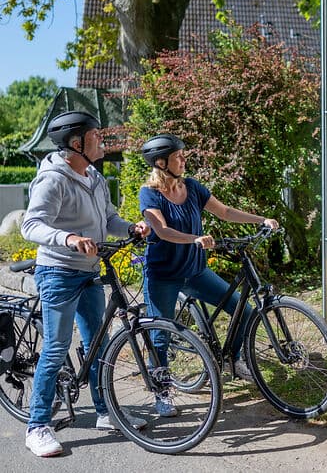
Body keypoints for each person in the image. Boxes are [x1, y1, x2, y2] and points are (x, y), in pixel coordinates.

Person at [20, 111, 150, 457]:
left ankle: (106, 413)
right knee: (57, 346)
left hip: (90, 270)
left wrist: (131, 228)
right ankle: (38, 426)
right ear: (77, 143)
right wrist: (69, 238)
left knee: (98, 343)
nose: (102, 142)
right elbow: (31, 225)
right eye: (96, 136)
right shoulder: (53, 179)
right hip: (59, 272)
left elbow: (108, 219)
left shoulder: (94, 177)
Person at [137, 134, 278, 416]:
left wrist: (260, 219)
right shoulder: (149, 193)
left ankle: (234, 360)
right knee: (161, 336)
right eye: (179, 156)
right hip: (163, 276)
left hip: (195, 272)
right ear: (161, 162)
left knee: (244, 310)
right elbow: (162, 230)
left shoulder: (192, 187)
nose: (184, 160)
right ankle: (161, 393)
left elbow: (224, 211)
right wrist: (194, 239)